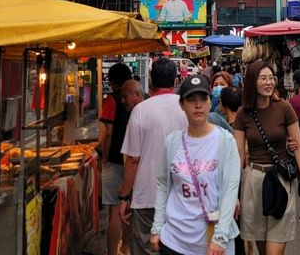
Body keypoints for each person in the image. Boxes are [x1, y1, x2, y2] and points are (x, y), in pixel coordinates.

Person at [150, 75, 240, 255]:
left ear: (210, 102)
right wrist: (157, 227)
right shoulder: (172, 142)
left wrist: (221, 236)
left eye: (203, 99)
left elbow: (231, 189)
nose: (198, 105)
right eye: (191, 100)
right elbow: (162, 184)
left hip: (213, 243)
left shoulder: (225, 141)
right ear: (182, 105)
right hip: (173, 240)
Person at [234, 60, 300, 255]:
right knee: (261, 247)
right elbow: (238, 156)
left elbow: (299, 147)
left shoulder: (284, 108)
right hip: (254, 181)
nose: (269, 82)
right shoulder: (243, 114)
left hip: (280, 180)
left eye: (271, 78)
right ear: (253, 81)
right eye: (263, 78)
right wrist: (234, 195)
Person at [119, 58, 187, 254]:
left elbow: (133, 160)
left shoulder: (140, 110)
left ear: (150, 80)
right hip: (181, 194)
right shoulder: (188, 108)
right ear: (175, 80)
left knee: (148, 248)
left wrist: (124, 196)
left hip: (148, 195)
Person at [100, 63, 133, 255]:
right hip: (132, 160)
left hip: (114, 159)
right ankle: (126, 247)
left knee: (114, 209)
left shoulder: (111, 99)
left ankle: (112, 252)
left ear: (112, 82)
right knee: (127, 207)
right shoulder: (138, 97)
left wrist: (104, 159)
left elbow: (109, 133)